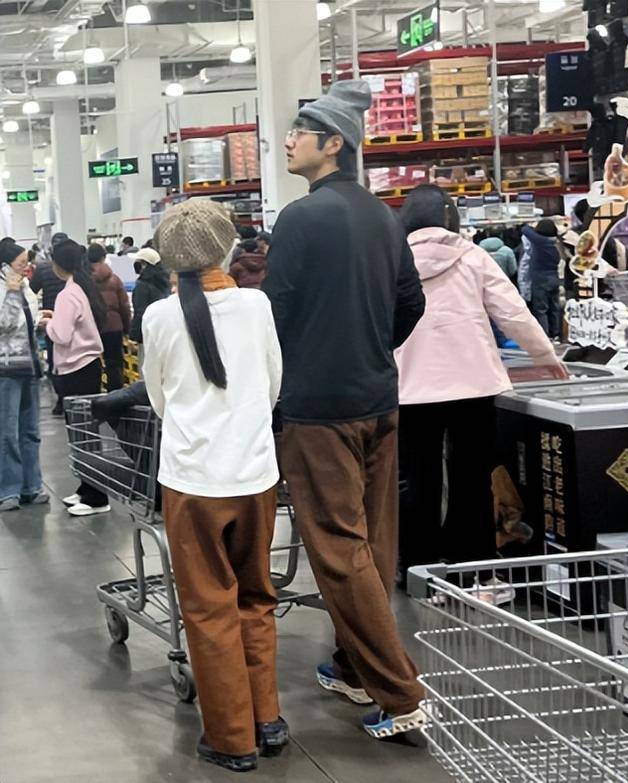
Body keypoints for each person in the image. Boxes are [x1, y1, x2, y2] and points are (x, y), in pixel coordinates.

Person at [262, 80, 427, 741]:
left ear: (334, 143)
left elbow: (274, 314)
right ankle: (355, 667)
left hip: (318, 410)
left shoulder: (301, 218)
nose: (287, 142)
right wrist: (368, 347)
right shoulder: (383, 215)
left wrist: (292, 372)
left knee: (337, 547)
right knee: (373, 542)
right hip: (378, 399)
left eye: (299, 133)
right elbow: (412, 302)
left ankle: (401, 692)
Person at [142, 200, 285, 772]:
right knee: (256, 595)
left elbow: (158, 398)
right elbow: (273, 384)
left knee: (208, 608)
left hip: (192, 480)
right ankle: (268, 718)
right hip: (255, 475)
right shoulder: (256, 304)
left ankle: (230, 738)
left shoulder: (158, 316)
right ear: (228, 248)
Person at [395, 185, 568, 597]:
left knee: (418, 480)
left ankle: (418, 571)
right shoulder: (472, 256)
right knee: (472, 478)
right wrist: (545, 355)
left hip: (410, 387)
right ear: (449, 217)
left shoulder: (391, 262)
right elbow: (512, 311)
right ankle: (475, 572)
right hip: (473, 384)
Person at [41, 239, 111, 517]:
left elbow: (61, 335)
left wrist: (48, 323)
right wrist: (56, 318)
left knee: (84, 434)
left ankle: (97, 497)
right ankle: (86, 487)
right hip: (86, 368)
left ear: (57, 264)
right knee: (82, 432)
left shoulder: (67, 294)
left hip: (77, 370)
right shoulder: (80, 288)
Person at [0, 242, 49, 512]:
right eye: (20, 263)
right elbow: (4, 324)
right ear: (5, 266)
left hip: (30, 365)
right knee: (7, 432)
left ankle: (32, 485)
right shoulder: (6, 289)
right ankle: (9, 491)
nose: (26, 267)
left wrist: (41, 319)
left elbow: (26, 320)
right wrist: (10, 292)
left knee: (31, 431)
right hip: (6, 369)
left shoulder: (26, 286)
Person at [30, 232, 68, 415]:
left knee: (55, 362)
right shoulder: (76, 270)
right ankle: (74, 400)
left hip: (51, 321)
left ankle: (61, 399)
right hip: (73, 322)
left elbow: (31, 290)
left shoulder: (43, 268)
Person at [88, 244, 131, 391]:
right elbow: (124, 306)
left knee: (93, 363)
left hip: (93, 327)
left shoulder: (85, 280)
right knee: (115, 364)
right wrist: (126, 327)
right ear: (104, 257)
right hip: (114, 326)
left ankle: (96, 394)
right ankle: (116, 395)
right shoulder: (115, 279)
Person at [521, 219, 562, 338]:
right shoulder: (556, 242)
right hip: (554, 277)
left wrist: (530, 225)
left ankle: (544, 335)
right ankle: (556, 334)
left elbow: (525, 230)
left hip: (541, 279)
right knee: (554, 307)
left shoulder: (541, 241)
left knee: (541, 309)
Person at [129, 248, 170, 365]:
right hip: (164, 333)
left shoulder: (142, 286)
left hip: (147, 336)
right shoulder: (165, 282)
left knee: (147, 369)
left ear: (144, 265)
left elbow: (140, 313)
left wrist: (133, 337)